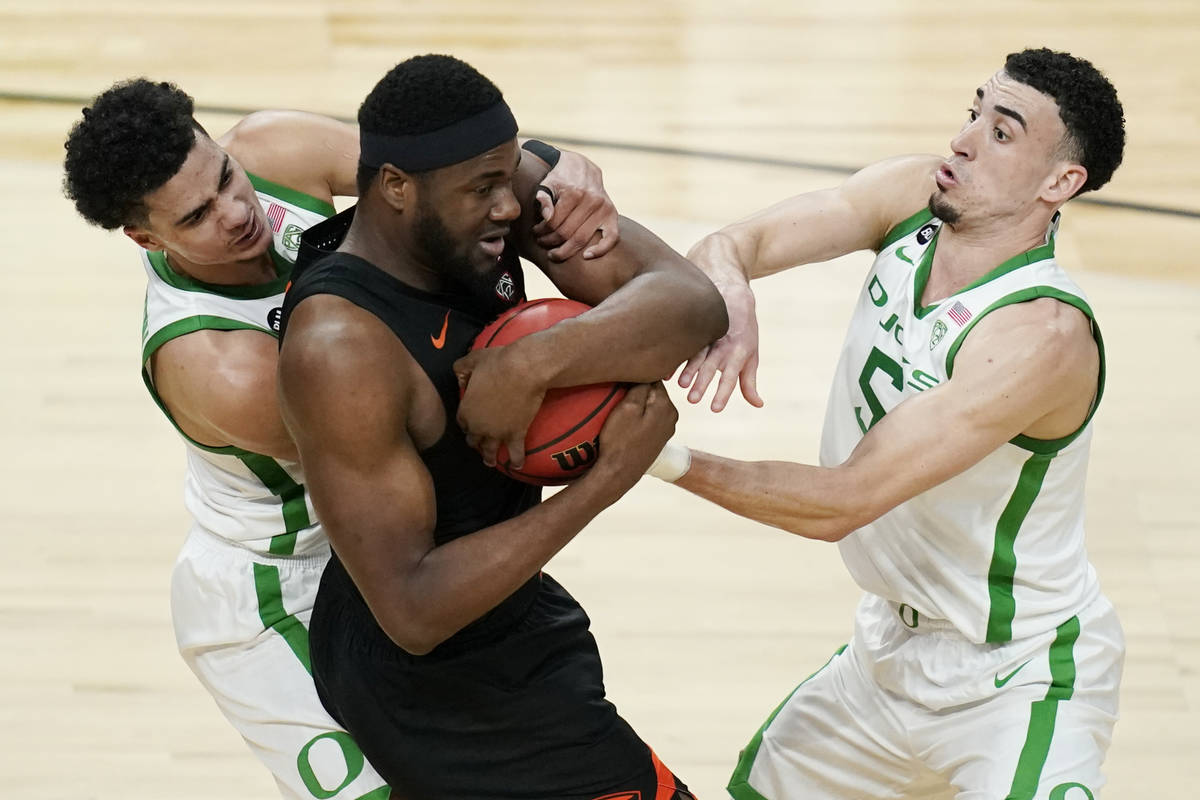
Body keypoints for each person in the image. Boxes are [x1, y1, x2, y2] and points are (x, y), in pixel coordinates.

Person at [61, 77, 621, 800]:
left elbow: (432, 177)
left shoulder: (275, 146)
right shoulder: (212, 363)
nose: (236, 212)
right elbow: (439, 411)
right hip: (278, 591)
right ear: (145, 238)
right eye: (197, 215)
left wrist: (552, 163)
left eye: (225, 177)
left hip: (386, 540)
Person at [663, 48, 1126, 799]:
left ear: (1060, 182)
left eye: (1002, 133)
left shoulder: (1040, 336)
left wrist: (657, 456)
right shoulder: (912, 195)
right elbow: (730, 244)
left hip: (1016, 676)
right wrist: (731, 293)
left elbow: (842, 501)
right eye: (974, 111)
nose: (965, 140)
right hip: (885, 653)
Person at [276, 53, 727, 800]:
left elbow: (689, 302)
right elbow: (413, 610)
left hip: (510, 614)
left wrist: (533, 365)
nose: (511, 206)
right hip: (436, 689)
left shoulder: (478, 204)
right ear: (395, 187)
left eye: (509, 175)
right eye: (484, 188)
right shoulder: (342, 349)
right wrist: (605, 481)